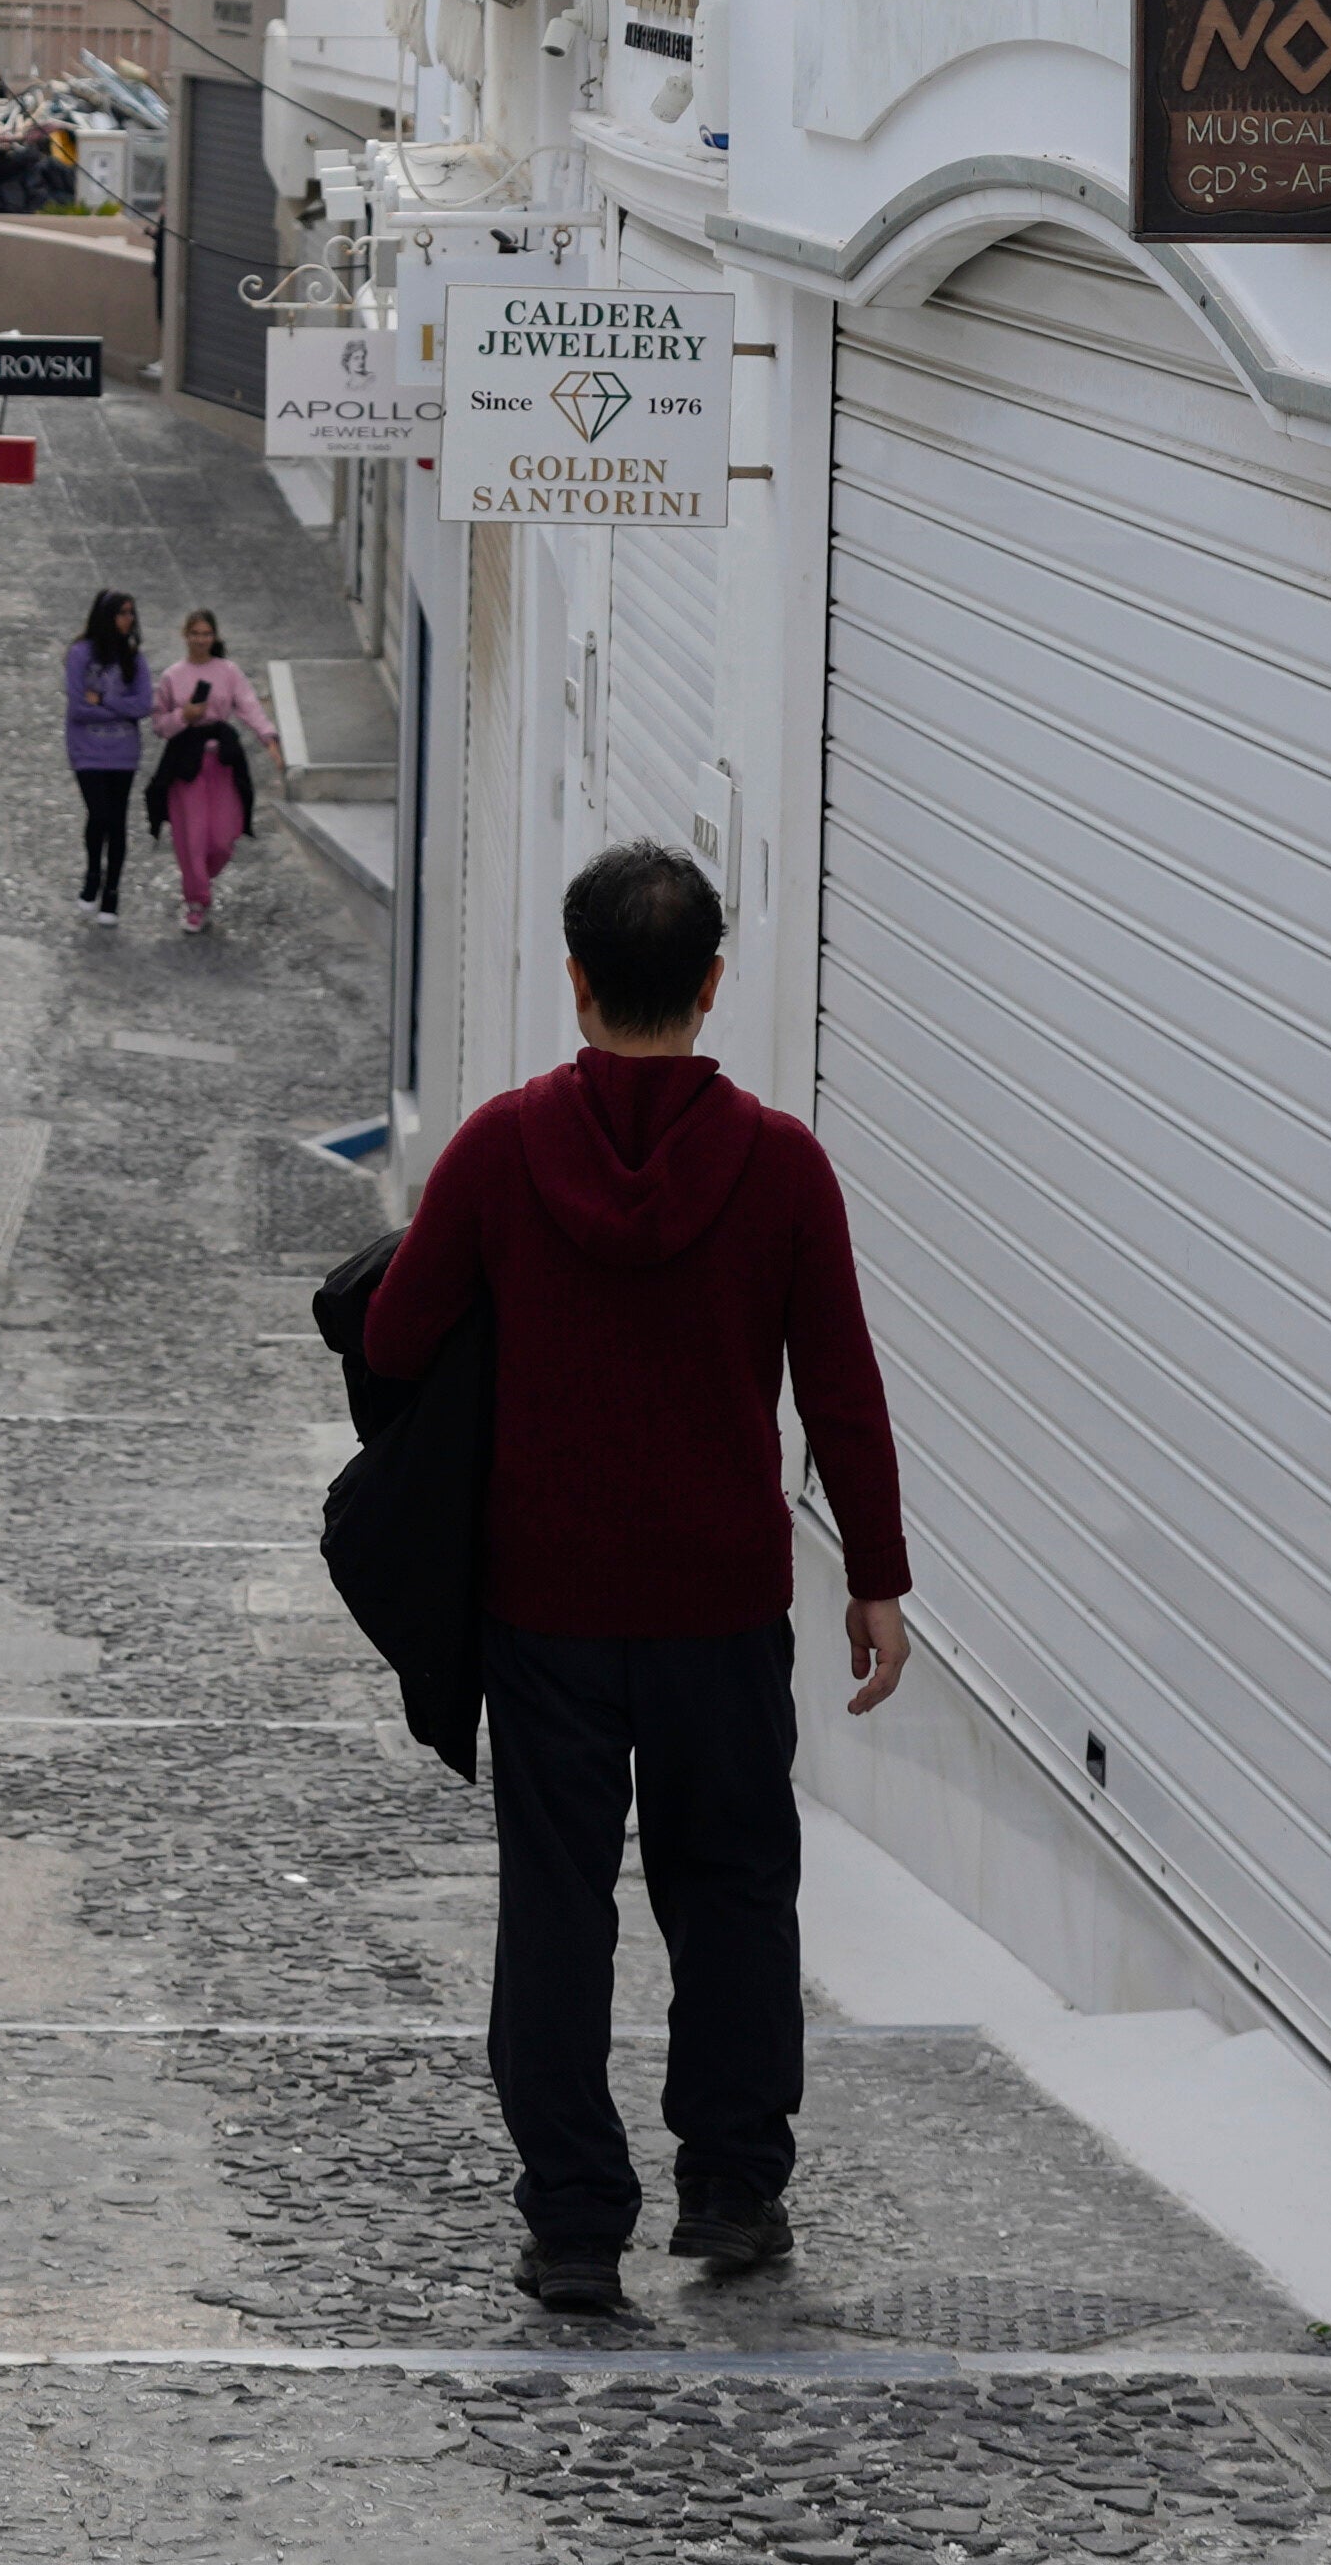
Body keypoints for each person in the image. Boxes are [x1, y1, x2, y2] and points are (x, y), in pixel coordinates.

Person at [351, 837, 911, 2312]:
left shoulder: (498, 1149)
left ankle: (575, 2221)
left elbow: (398, 1341)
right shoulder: (784, 1168)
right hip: (722, 1606)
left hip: (548, 1604)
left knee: (559, 1906)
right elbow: (841, 1388)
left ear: (578, 979)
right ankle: (732, 2190)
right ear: (714, 985)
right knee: (732, 1893)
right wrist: (878, 1576)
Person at [145, 618, 265, 937]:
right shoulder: (172, 676)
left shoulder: (228, 671)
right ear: (185, 636)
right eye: (195, 634)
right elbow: (159, 725)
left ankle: (201, 879)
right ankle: (196, 900)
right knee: (193, 838)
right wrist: (184, 716)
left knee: (223, 839)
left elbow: (249, 705)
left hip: (222, 763)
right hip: (187, 764)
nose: (201, 640)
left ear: (214, 636)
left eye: (207, 634)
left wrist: (269, 736)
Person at [60, 590, 156, 910]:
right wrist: (121, 709)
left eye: (131, 612)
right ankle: (92, 874)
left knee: (117, 821)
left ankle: (112, 891)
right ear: (106, 616)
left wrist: (103, 701)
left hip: (123, 752)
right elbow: (77, 708)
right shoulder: (80, 654)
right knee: (99, 814)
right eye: (122, 612)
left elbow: (144, 705)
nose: (129, 619)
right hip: (86, 750)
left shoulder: (134, 658)